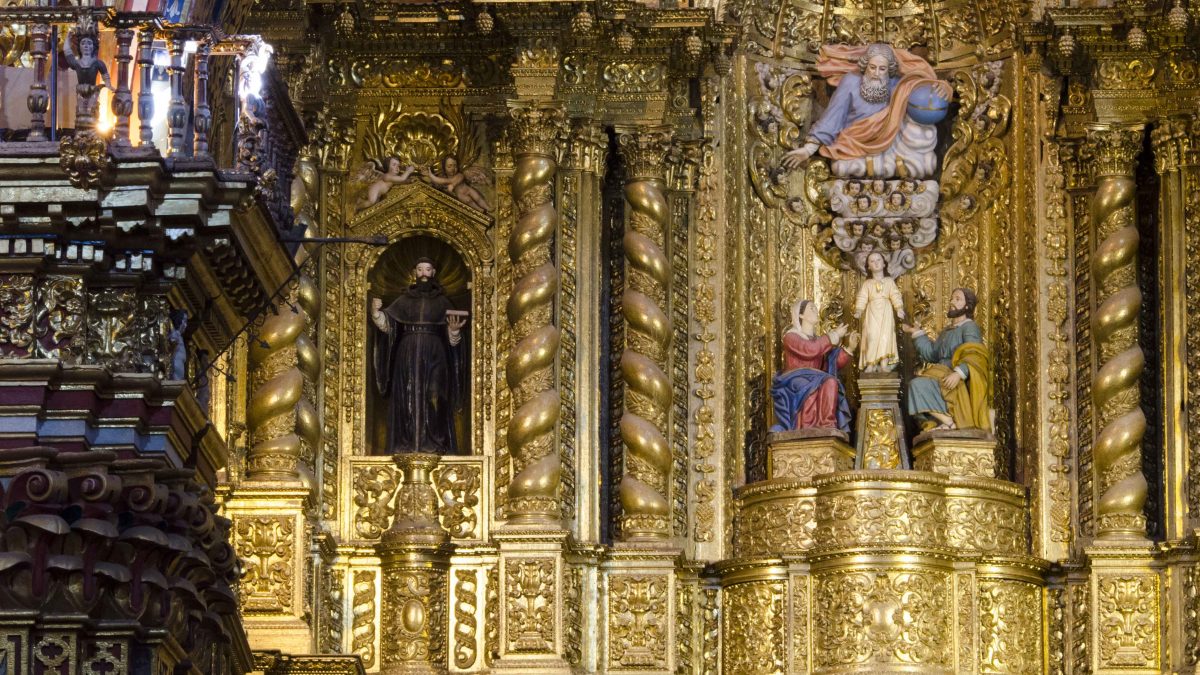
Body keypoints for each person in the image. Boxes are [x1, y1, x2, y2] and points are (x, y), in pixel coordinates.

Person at [780, 44, 950, 178]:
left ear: (889, 69)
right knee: (840, 167)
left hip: (889, 145)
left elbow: (924, 87)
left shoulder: (897, 84)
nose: (876, 73)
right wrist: (808, 150)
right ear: (865, 65)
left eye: (882, 69)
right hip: (853, 143)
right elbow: (833, 117)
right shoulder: (851, 81)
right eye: (872, 67)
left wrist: (944, 88)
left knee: (923, 155)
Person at [371, 258, 468, 454]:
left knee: (435, 396)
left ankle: (434, 444)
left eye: (428, 269)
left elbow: (453, 341)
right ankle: (406, 444)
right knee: (407, 396)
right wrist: (375, 313)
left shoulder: (443, 302)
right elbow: (388, 325)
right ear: (415, 272)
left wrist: (454, 331)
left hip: (435, 353)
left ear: (433, 273)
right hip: (407, 352)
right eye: (420, 269)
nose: (424, 273)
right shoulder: (404, 300)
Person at [902, 288, 991, 431]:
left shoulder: (969, 327)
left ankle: (949, 422)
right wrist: (917, 333)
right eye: (951, 298)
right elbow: (932, 354)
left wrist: (959, 373)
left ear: (967, 306)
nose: (952, 302)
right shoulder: (947, 331)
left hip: (954, 379)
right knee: (914, 385)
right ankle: (946, 422)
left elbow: (976, 354)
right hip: (940, 374)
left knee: (916, 385)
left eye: (957, 299)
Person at [770, 300, 855, 433]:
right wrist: (834, 335)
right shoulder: (791, 337)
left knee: (831, 382)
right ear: (801, 315)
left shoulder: (818, 340)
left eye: (816, 308)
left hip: (815, 377)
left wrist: (849, 348)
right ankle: (806, 427)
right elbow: (810, 350)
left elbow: (828, 364)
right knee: (812, 386)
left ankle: (827, 426)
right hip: (794, 379)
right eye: (812, 308)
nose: (816, 311)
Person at [855, 251, 905, 373]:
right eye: (872, 261)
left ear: (884, 264)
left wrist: (899, 308)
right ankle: (871, 364)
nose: (876, 263)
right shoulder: (867, 284)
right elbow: (862, 297)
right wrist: (859, 310)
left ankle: (883, 364)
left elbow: (895, 295)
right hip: (871, 312)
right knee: (871, 336)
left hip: (886, 311)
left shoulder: (889, 281)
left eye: (878, 260)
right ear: (868, 266)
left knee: (885, 336)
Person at [422, 156, 491, 213]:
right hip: (460, 194)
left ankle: (487, 207)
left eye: (455, 166)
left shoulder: (459, 175)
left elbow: (459, 179)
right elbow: (439, 180)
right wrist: (430, 175)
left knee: (477, 197)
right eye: (449, 166)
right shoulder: (447, 180)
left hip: (467, 189)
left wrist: (453, 185)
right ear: (444, 168)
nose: (453, 169)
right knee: (468, 200)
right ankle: (479, 210)